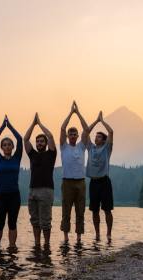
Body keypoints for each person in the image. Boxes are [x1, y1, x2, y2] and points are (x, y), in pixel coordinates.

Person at [23, 113, 57, 248]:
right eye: (37, 141)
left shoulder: (51, 154)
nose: (39, 143)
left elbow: (50, 136)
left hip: (46, 190)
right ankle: (37, 244)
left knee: (46, 221)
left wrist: (40, 124)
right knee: (35, 220)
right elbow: (25, 140)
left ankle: (47, 244)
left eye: (41, 141)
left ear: (46, 143)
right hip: (32, 190)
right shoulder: (33, 154)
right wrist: (33, 124)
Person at [0, 115, 23, 249]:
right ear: (1, 147)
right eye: (4, 145)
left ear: (13, 147)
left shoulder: (17, 158)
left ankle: (12, 247)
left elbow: (20, 139)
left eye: (9, 144)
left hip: (14, 196)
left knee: (12, 223)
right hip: (0, 196)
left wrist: (10, 126)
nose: (7, 146)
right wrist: (2, 127)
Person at [59, 101, 89, 243]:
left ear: (77, 136)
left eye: (74, 133)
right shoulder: (64, 147)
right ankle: (65, 237)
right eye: (70, 133)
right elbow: (62, 128)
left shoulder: (81, 147)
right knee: (66, 211)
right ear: (67, 136)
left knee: (80, 210)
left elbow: (87, 129)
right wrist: (71, 113)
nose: (71, 135)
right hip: (67, 182)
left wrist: (78, 113)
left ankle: (78, 237)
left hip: (81, 182)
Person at [83, 111, 114, 242]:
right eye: (95, 137)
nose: (96, 138)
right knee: (94, 211)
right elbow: (85, 133)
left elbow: (111, 132)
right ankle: (97, 234)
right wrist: (95, 121)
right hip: (93, 183)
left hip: (104, 182)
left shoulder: (107, 148)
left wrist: (102, 121)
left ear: (104, 140)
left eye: (99, 137)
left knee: (107, 210)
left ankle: (108, 234)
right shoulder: (90, 148)